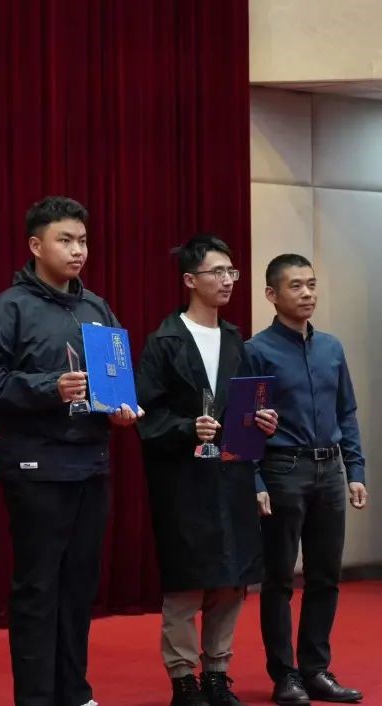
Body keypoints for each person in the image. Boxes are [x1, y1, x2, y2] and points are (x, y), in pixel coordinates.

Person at [0, 195, 141, 706]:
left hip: (91, 464)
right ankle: (36, 697)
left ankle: (75, 691)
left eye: (82, 241)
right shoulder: (10, 307)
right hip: (36, 467)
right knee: (38, 588)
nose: (77, 251)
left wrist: (121, 410)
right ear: (35, 245)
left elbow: (115, 381)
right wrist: (51, 388)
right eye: (65, 240)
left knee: (80, 586)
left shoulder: (97, 308)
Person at [135, 235, 279, 706]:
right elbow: (146, 415)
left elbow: (250, 405)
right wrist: (186, 428)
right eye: (217, 272)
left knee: (232, 580)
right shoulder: (164, 341)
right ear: (189, 280)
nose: (228, 280)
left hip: (232, 476)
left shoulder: (238, 340)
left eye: (231, 272)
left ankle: (217, 672)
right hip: (183, 480)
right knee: (187, 581)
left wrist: (264, 421)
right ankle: (183, 678)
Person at [246, 254, 367, 706]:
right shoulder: (257, 351)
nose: (307, 294)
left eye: (311, 284)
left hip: (330, 470)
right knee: (278, 578)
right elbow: (244, 422)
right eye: (295, 286)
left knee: (325, 576)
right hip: (283, 470)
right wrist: (255, 480)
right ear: (271, 294)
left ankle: (316, 670)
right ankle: (285, 676)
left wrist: (355, 470)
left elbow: (346, 412)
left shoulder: (331, 348)